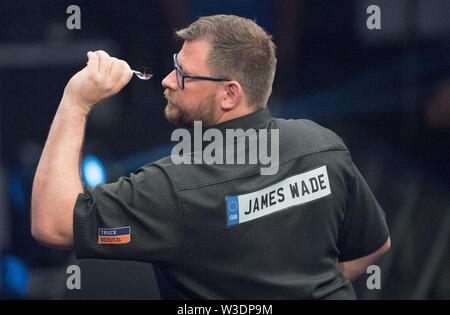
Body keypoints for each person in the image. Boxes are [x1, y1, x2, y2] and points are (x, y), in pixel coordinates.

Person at [31, 14, 390, 299]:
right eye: (175, 65)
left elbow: (52, 223)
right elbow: (374, 246)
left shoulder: (175, 188)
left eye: (184, 74)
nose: (168, 80)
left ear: (229, 94)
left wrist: (76, 102)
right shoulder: (323, 145)